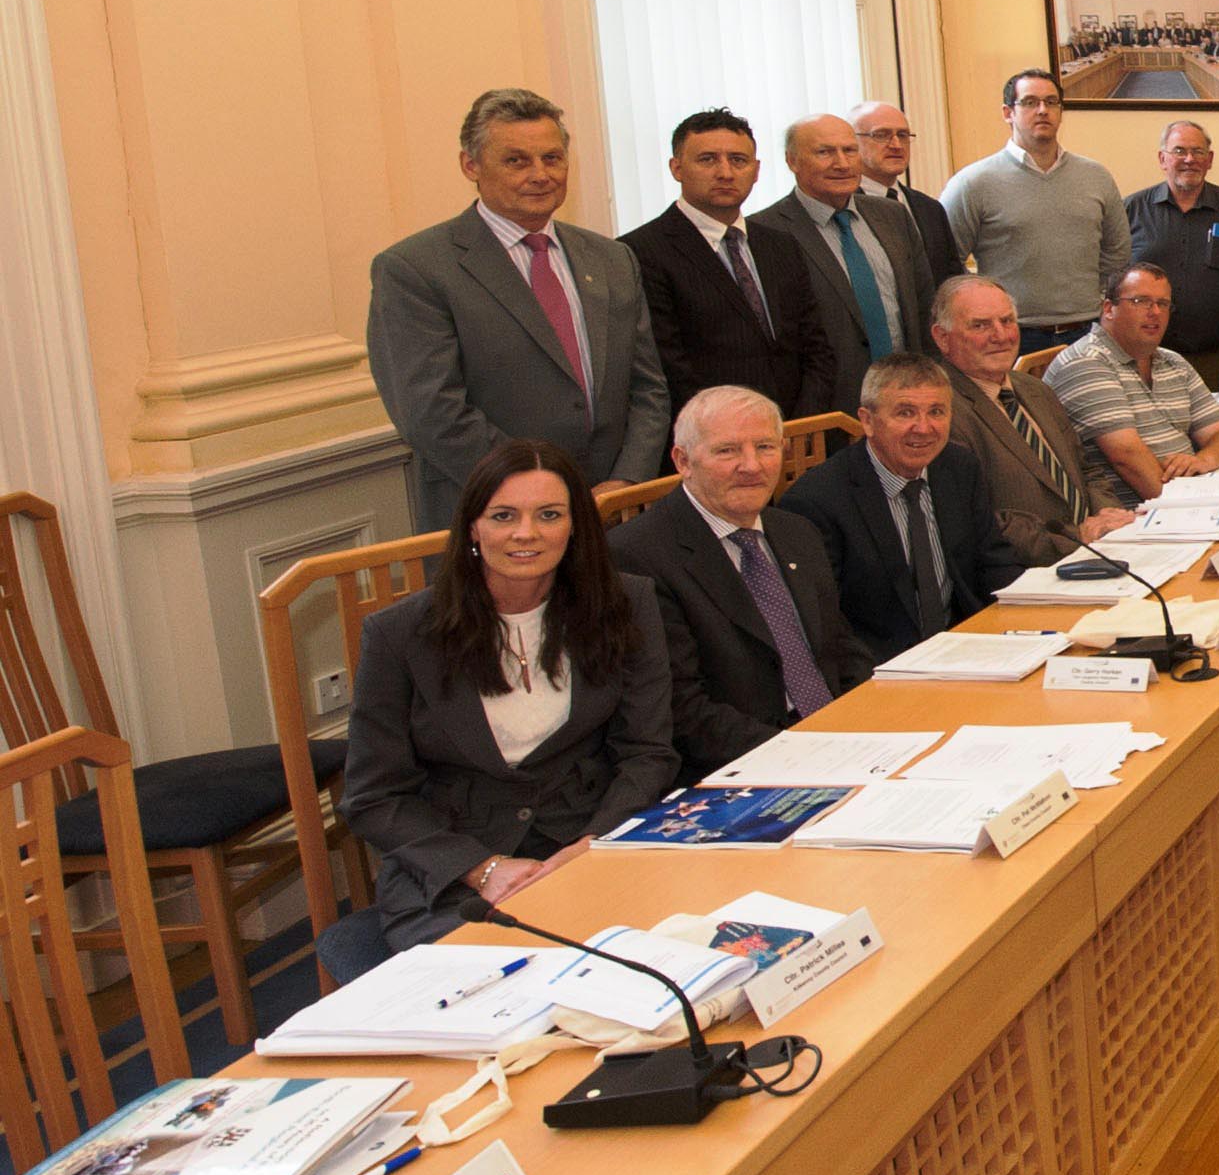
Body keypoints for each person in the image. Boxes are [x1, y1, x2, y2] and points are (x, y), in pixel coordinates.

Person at [343, 441, 675, 951]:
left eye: (549, 515)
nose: (527, 533)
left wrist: (593, 845)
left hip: (591, 839)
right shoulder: (399, 635)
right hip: (457, 871)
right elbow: (374, 796)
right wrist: (484, 869)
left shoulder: (626, 602)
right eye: (504, 515)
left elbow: (647, 752)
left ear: (575, 526)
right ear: (473, 527)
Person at [609, 386, 870, 778]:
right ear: (682, 460)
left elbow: (840, 646)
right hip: (742, 767)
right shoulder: (637, 556)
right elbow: (683, 712)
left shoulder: (796, 530)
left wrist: (876, 717)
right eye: (727, 451)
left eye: (765, 447)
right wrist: (808, 753)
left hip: (840, 742)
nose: (751, 466)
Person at [786, 353, 1031, 661]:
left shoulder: (958, 467)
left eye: (937, 412)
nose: (924, 428)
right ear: (868, 421)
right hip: (882, 666)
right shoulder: (817, 501)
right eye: (905, 413)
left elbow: (994, 561)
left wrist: (1027, 630)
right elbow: (828, 625)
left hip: (968, 647)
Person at [618, 106, 831, 428]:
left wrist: (798, 427)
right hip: (712, 438)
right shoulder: (640, 251)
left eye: (738, 160)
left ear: (756, 170)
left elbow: (816, 348)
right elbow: (669, 367)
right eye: (707, 160)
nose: (725, 173)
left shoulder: (780, 245)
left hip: (796, 436)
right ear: (676, 168)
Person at [932, 275, 1132, 560]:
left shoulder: (1034, 388)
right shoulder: (940, 411)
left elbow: (1087, 470)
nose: (1000, 335)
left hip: (1102, 551)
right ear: (942, 337)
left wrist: (1107, 518)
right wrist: (1078, 538)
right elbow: (981, 522)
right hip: (1029, 572)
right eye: (980, 325)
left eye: (1007, 321)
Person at [942, 71, 1131, 350]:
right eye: (1030, 102)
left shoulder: (1096, 176)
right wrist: (986, 311)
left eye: (1051, 102)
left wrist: (1092, 298)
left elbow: (1117, 251)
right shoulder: (973, 183)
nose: (1043, 111)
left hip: (1087, 331)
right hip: (1009, 335)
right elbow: (947, 259)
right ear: (1008, 113)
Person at [761, 113, 925, 415]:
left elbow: (924, 304)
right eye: (824, 152)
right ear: (792, 161)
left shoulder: (893, 216)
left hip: (909, 397)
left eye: (849, 151)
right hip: (828, 411)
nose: (842, 163)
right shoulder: (767, 232)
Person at [1045, 264, 1219, 502]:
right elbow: (1127, 459)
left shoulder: (1173, 362)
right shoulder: (1086, 363)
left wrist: (1203, 460)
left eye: (1163, 304)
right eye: (1141, 301)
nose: (1155, 312)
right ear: (1108, 308)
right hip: (1134, 517)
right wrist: (1192, 508)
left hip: (1191, 500)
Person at [1126, 121, 1219, 378]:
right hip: (1148, 356)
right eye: (1179, 151)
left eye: (1197, 152)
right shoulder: (1132, 209)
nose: (1189, 159)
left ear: (1210, 159)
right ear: (1162, 159)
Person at [851, 99, 965, 295]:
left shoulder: (930, 209)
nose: (896, 145)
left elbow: (949, 278)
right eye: (881, 135)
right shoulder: (843, 207)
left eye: (902, 135)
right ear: (852, 142)